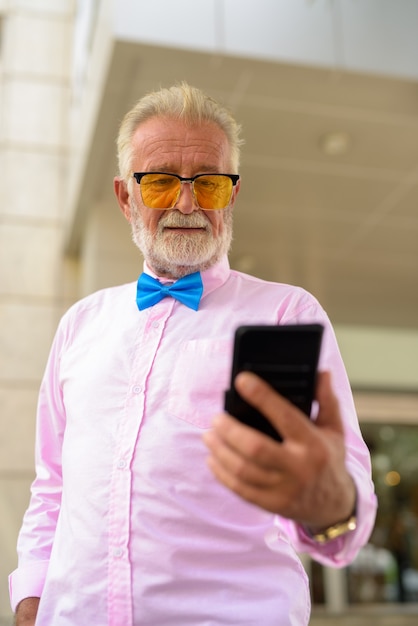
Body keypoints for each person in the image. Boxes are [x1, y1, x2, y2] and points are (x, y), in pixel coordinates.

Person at [9, 82, 377, 626]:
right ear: (124, 196)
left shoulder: (286, 314)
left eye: (209, 183)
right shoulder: (80, 324)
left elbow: (342, 473)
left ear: (232, 193)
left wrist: (332, 507)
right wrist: (30, 600)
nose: (187, 202)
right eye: (159, 183)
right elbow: (53, 485)